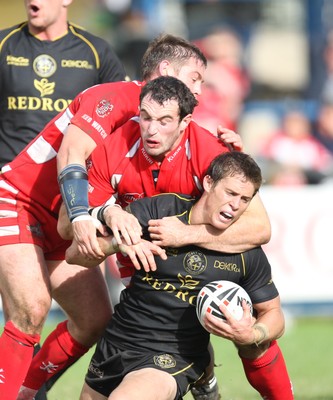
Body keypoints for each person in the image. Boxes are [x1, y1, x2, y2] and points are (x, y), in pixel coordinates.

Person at [0, 34, 250, 400]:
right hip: (20, 201)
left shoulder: (167, 130)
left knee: (93, 321)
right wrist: (84, 214)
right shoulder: (115, 97)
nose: (200, 88)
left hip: (66, 222)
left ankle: (25, 391)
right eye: (196, 78)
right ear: (166, 70)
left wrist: (229, 161)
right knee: (32, 309)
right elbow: (70, 154)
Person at [57, 151, 293, 400]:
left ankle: (203, 375)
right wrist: (119, 243)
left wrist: (254, 334)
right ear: (209, 183)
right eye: (231, 193)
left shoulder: (245, 251)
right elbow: (74, 256)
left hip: (171, 358)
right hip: (116, 344)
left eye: (245, 199)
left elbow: (273, 313)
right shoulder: (161, 210)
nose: (236, 205)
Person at [0, 0, 126, 168]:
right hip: (7, 178)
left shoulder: (96, 51)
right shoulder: (4, 44)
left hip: (68, 176)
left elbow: (123, 116)